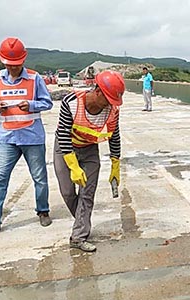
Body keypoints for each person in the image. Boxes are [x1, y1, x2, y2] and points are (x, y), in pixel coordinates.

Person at [0, 37, 53, 238]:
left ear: (23, 60)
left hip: (32, 137)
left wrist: (31, 105)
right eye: (9, 65)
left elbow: (47, 103)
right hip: (8, 137)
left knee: (39, 178)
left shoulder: (35, 78)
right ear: (3, 61)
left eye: (17, 64)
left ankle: (43, 210)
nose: (13, 68)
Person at [53, 70, 124, 252]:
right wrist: (73, 166)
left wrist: (115, 165)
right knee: (68, 192)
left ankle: (78, 237)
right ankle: (82, 222)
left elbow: (114, 138)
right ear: (98, 91)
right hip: (65, 147)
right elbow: (62, 135)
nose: (110, 104)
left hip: (90, 149)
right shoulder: (71, 103)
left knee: (87, 194)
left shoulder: (112, 111)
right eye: (108, 99)